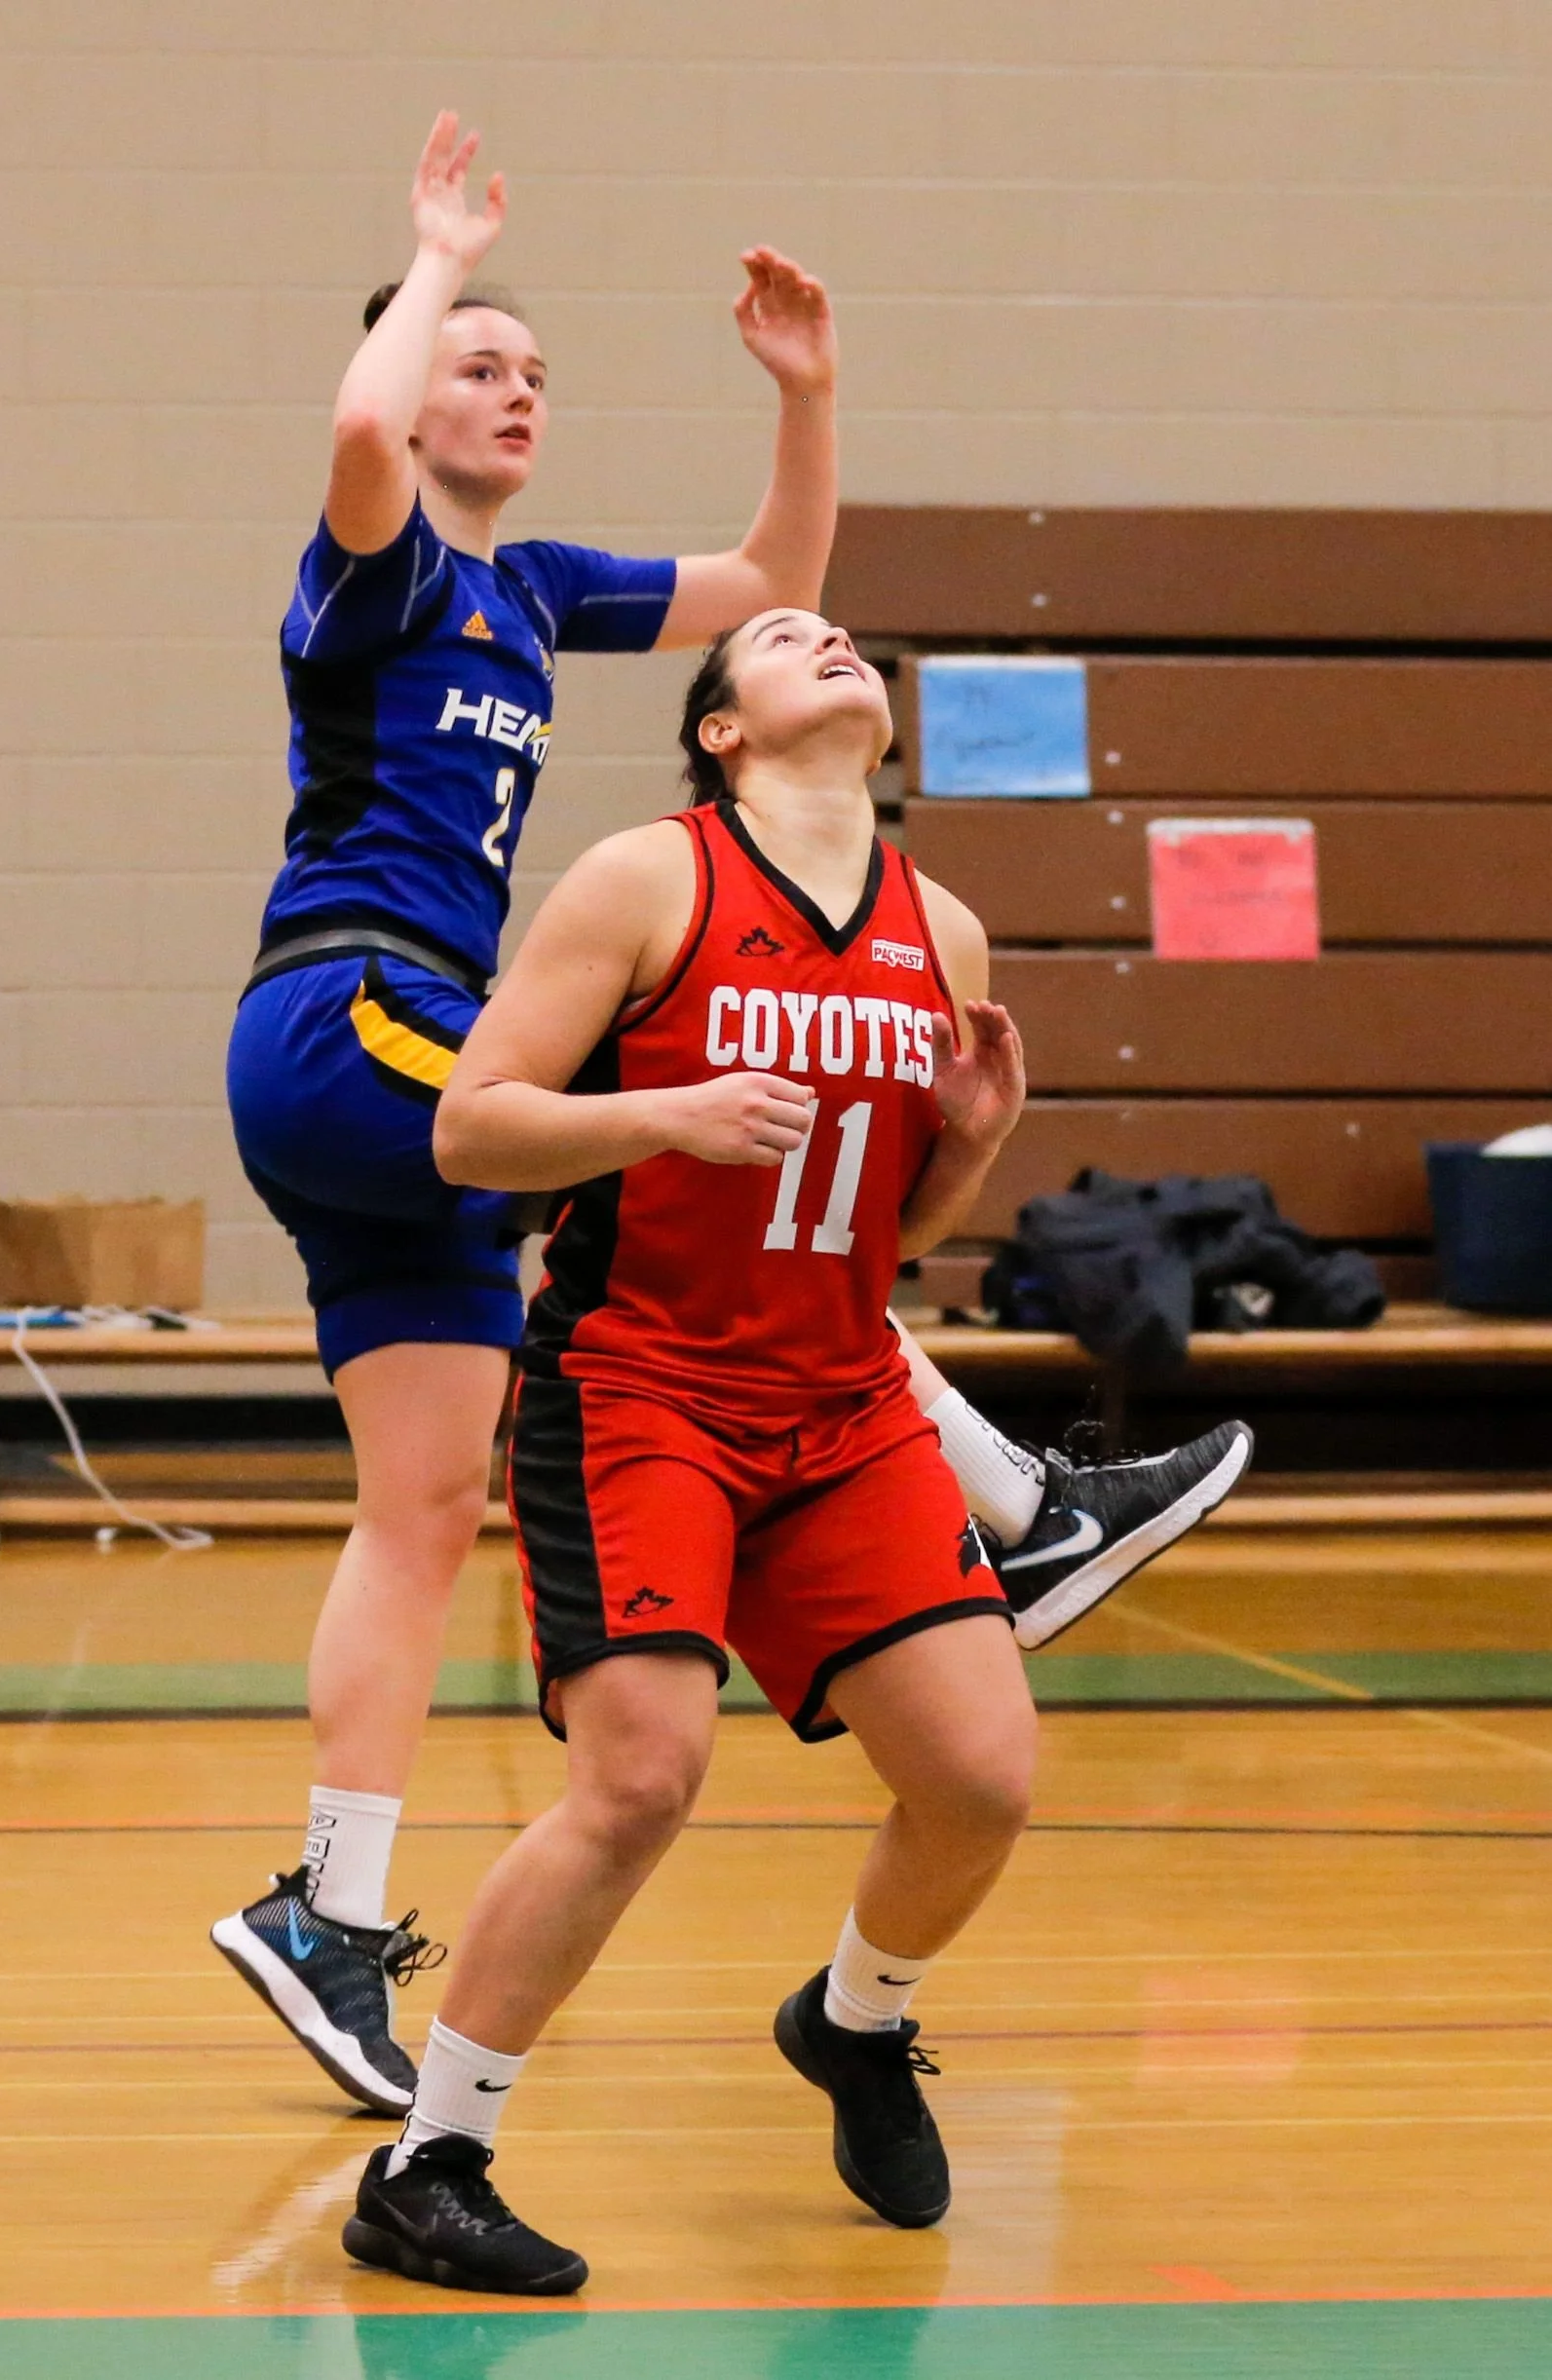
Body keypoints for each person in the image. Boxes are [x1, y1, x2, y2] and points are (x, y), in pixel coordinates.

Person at [213, 114, 1251, 2122]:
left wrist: (811, 393)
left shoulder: (531, 598)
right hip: (358, 1019)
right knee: (704, 1091)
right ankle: (1024, 1515)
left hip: (379, 1056)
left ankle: (328, 1906)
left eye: (535, 371)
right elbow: (356, 432)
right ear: (411, 392)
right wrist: (430, 263)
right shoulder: (380, 568)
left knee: (426, 1504)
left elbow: (775, 573)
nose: (515, 388)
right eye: (479, 366)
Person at [338, 608, 1159, 2293]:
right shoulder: (648, 880)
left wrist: (977, 1149)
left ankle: (854, 2022)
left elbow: (892, 1233)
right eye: (787, 639)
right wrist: (665, 1114)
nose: (834, 642)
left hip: (842, 1401)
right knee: (640, 1775)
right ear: (722, 728)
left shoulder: (946, 929)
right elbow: (469, 1122)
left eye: (848, 636)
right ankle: (430, 2158)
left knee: (983, 1776)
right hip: (639, 1386)